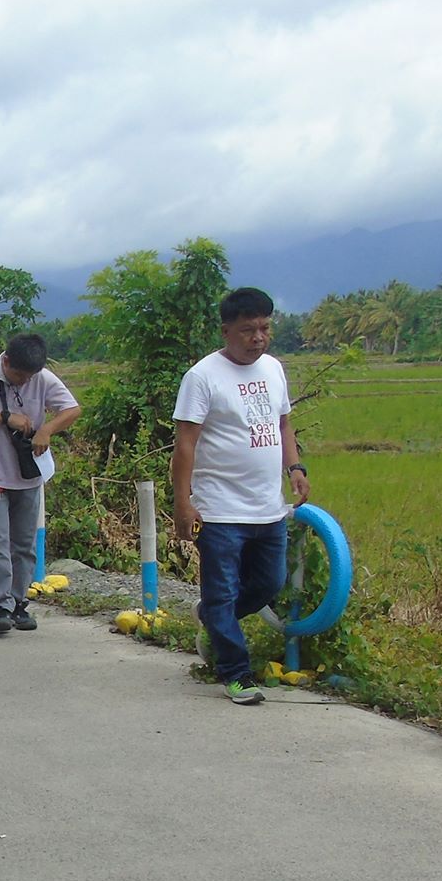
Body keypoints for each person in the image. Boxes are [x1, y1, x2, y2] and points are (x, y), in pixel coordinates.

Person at [170, 287, 310, 705]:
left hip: (267, 506)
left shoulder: (273, 369)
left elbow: (283, 425)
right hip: (219, 508)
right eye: (248, 330)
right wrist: (183, 502)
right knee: (224, 590)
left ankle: (213, 617)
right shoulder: (202, 377)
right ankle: (235, 672)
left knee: (269, 583)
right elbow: (185, 445)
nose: (258, 338)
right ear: (226, 330)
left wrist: (296, 468)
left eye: (265, 328)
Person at [0, 332, 82, 635]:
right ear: (6, 361)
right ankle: (1, 606)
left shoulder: (42, 378)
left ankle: (20, 601)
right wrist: (5, 417)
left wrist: (47, 429)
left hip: (28, 476)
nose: (24, 382)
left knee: (24, 544)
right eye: (19, 376)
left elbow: (73, 409)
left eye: (29, 377)